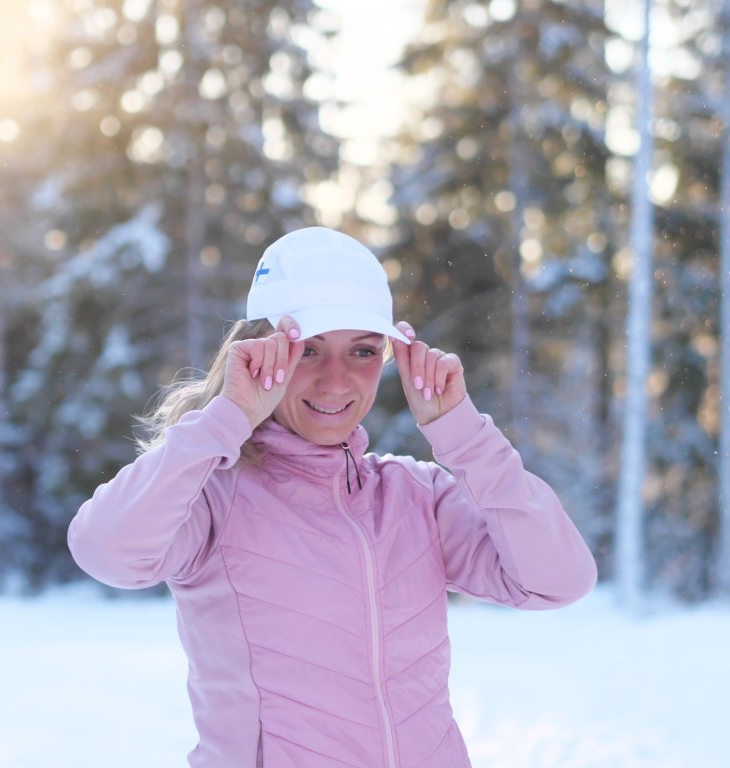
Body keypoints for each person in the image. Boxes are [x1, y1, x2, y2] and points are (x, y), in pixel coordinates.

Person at [67, 226, 597, 768]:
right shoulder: (212, 497)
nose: (336, 382)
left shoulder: (416, 496)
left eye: (363, 351)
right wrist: (226, 419)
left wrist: (463, 435)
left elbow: (559, 581)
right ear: (259, 353)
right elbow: (105, 551)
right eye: (308, 352)